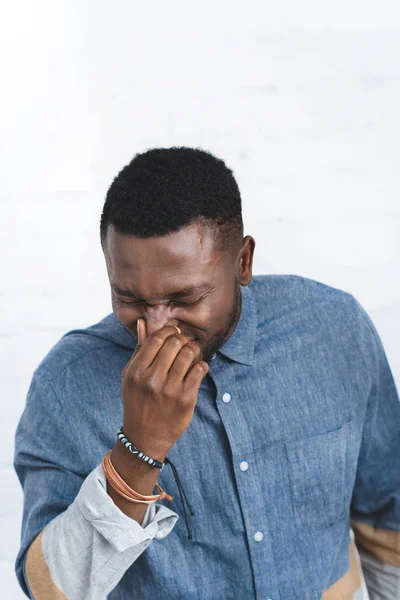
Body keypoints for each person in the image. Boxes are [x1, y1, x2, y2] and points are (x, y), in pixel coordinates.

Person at [14, 147, 400, 600]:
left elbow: (386, 519)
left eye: (184, 298)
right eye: (131, 299)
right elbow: (50, 588)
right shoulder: (66, 386)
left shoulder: (335, 329)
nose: (156, 327)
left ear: (243, 262)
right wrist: (139, 450)